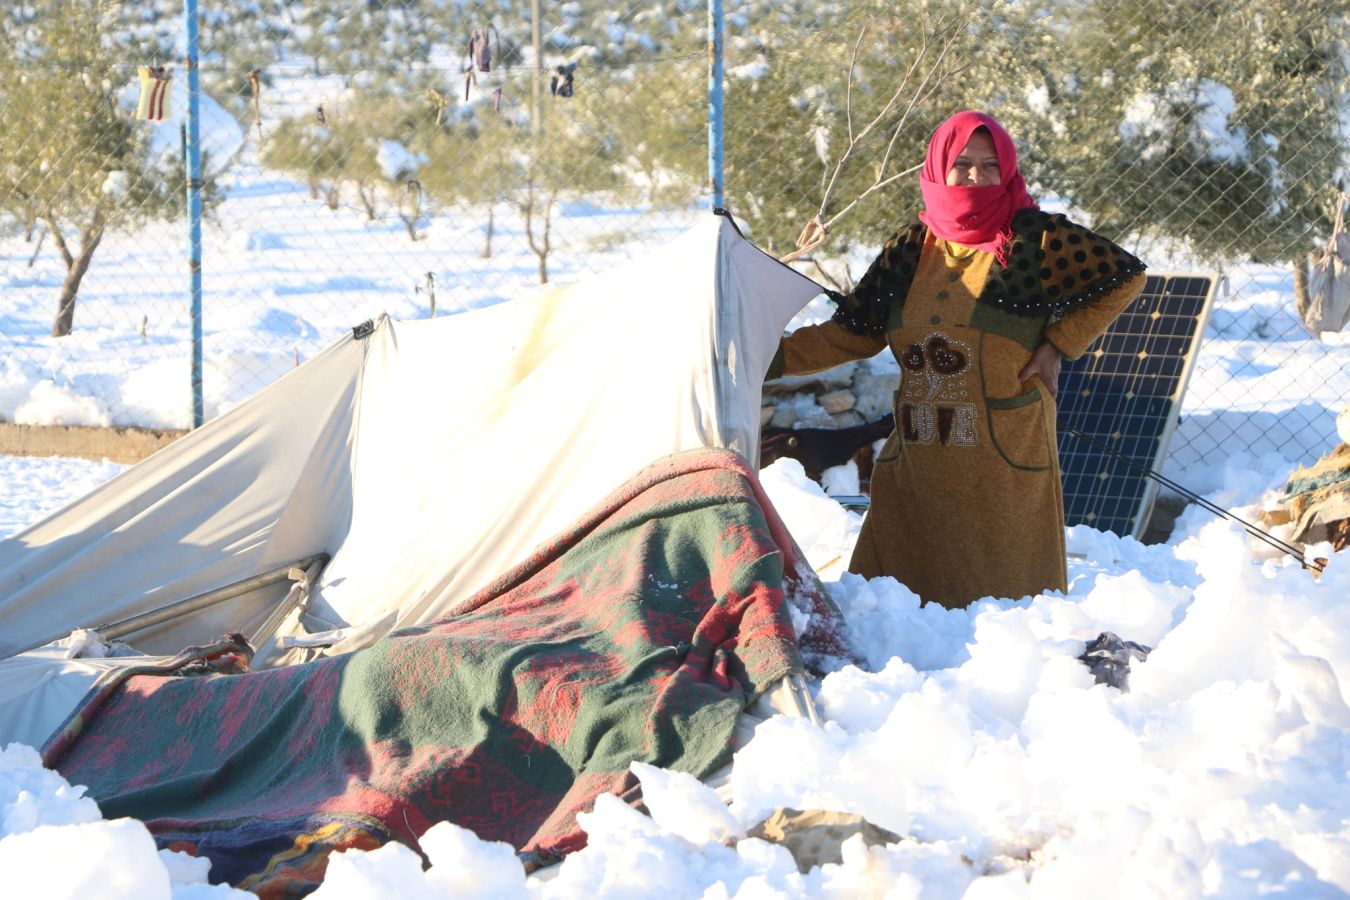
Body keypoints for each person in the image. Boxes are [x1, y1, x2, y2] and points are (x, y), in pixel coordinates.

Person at [767, 110, 1147, 608]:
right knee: (900, 604)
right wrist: (763, 358)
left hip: (1001, 456)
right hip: (919, 458)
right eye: (962, 164)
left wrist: (1060, 342)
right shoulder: (908, 249)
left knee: (1005, 608)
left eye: (991, 166)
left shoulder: (1036, 240)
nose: (976, 177)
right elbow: (851, 333)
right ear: (938, 167)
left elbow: (1125, 277)